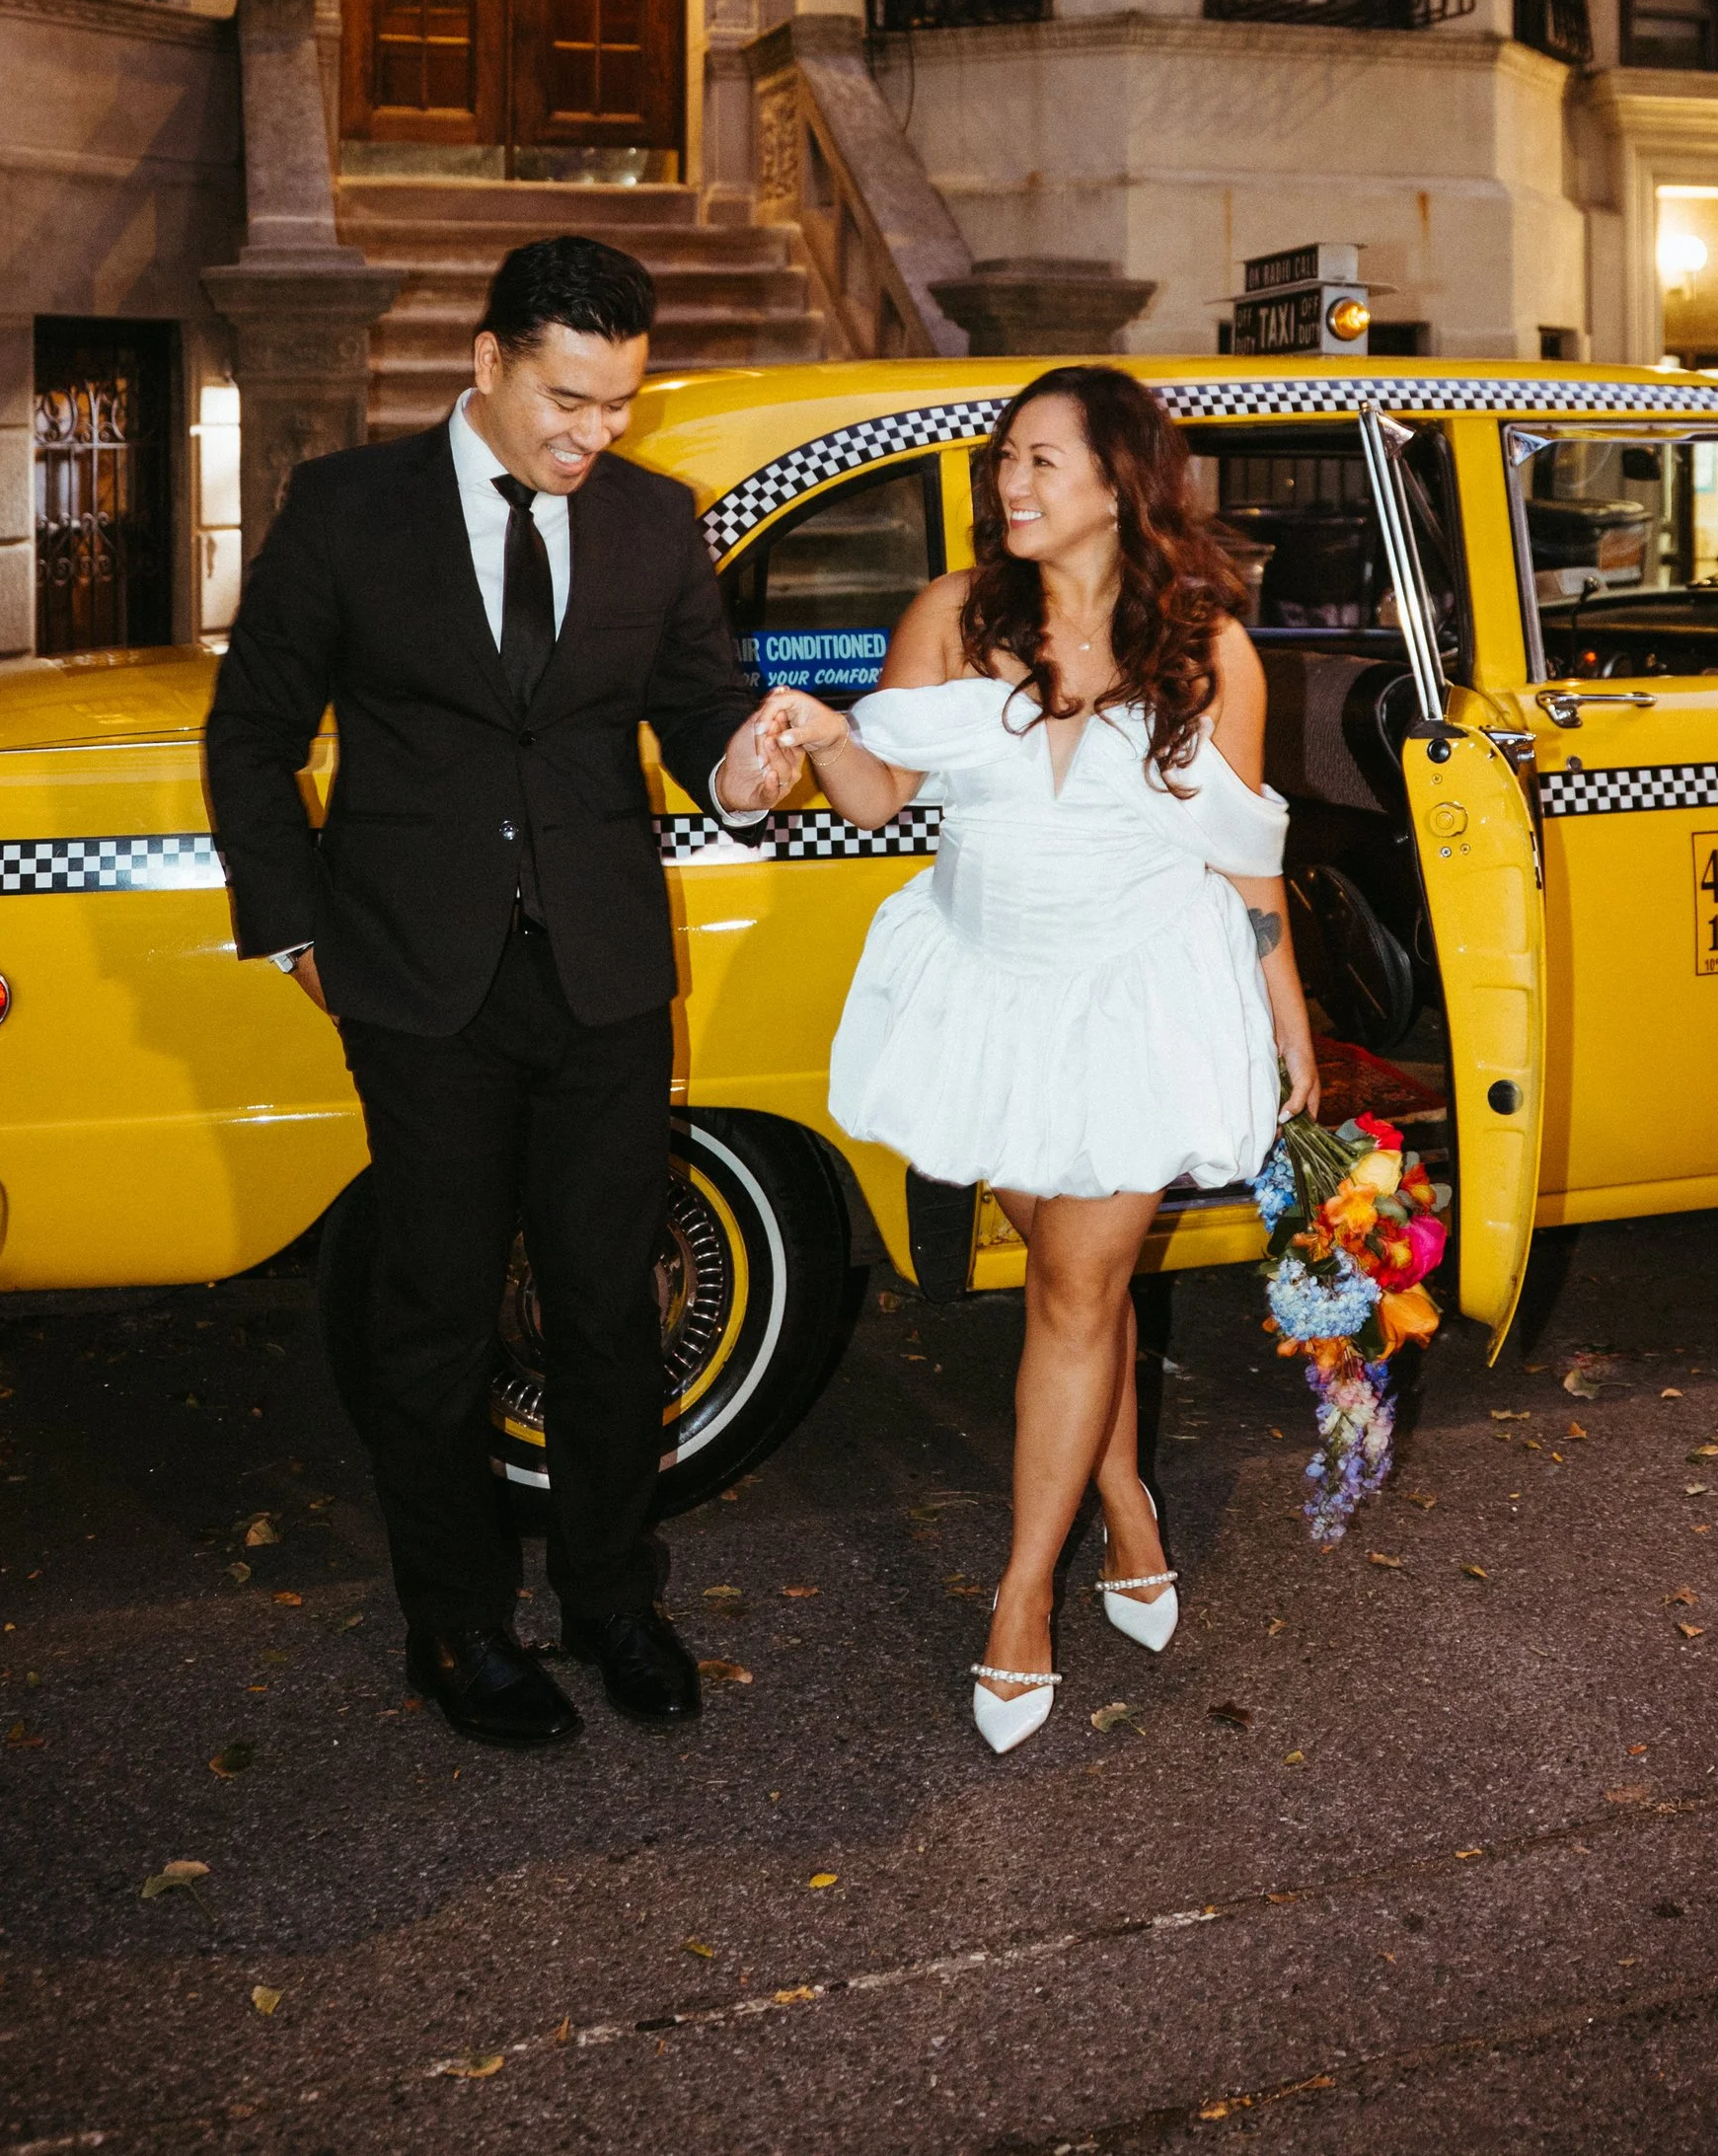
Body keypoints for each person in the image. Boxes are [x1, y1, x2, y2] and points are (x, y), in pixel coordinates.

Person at [204, 235, 797, 1752]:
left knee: (610, 1310)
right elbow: (251, 731)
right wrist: (293, 930)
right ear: (488, 361)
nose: (596, 432)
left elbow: (700, 712)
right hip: (417, 980)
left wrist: (744, 765)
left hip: (603, 975)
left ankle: (610, 1598)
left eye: (619, 402)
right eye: (568, 398)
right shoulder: (349, 508)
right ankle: (456, 1625)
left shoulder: (655, 522)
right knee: (437, 1322)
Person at [756, 364, 1318, 1753]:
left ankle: (1019, 1599)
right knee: (1080, 1276)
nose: (1010, 482)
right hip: (989, 997)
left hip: (1142, 998)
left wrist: (1287, 1017)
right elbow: (879, 795)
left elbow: (1245, 858)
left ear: (1122, 483)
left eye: (1041, 461)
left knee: (1073, 1286)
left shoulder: (1210, 650)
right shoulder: (955, 616)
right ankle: (1122, 1493)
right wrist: (824, 735)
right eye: (1005, 459)